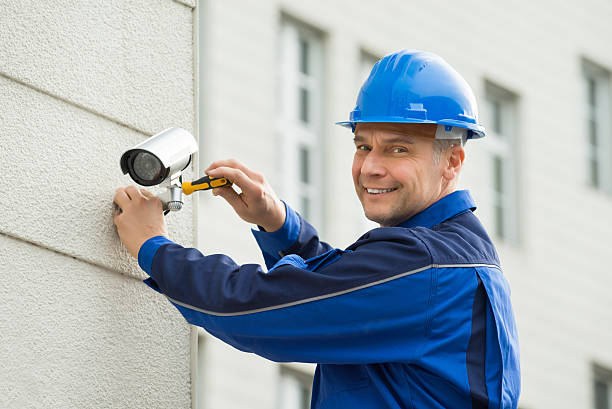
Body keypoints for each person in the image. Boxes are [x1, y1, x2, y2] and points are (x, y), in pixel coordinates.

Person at [113, 49, 520, 408]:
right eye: (363, 146)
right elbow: (344, 295)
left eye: (399, 148)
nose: (371, 166)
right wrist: (276, 223)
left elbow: (255, 310)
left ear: (452, 162)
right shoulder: (448, 257)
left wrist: (153, 246)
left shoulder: (425, 266)